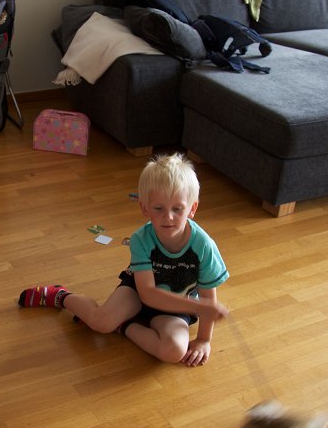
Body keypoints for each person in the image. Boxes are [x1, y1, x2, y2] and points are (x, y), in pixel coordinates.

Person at [19, 153, 229, 366]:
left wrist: (204, 339)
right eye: (159, 208)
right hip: (137, 292)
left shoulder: (204, 245)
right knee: (101, 322)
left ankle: (124, 325)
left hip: (175, 307)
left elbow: (208, 299)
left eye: (177, 208)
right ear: (145, 208)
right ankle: (61, 296)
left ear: (192, 209)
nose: (168, 217)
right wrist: (199, 307)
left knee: (174, 351)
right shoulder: (140, 239)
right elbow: (147, 293)